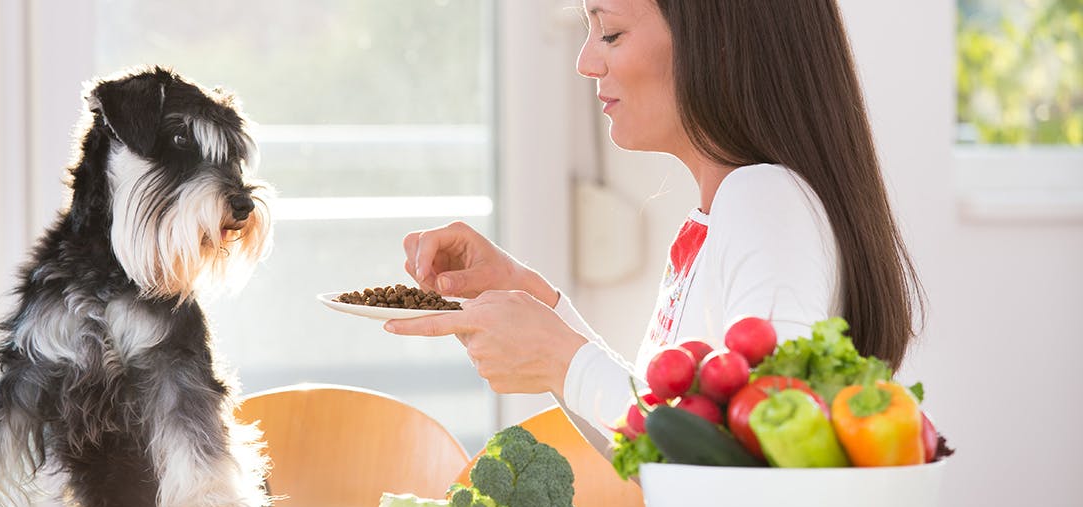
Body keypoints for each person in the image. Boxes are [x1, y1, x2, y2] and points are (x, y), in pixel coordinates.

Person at [383, 0, 923, 444]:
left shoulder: (766, 203)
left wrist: (561, 358)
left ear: (716, 42)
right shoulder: (725, 212)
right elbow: (659, 456)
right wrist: (530, 300)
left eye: (610, 32)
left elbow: (758, 462)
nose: (586, 62)